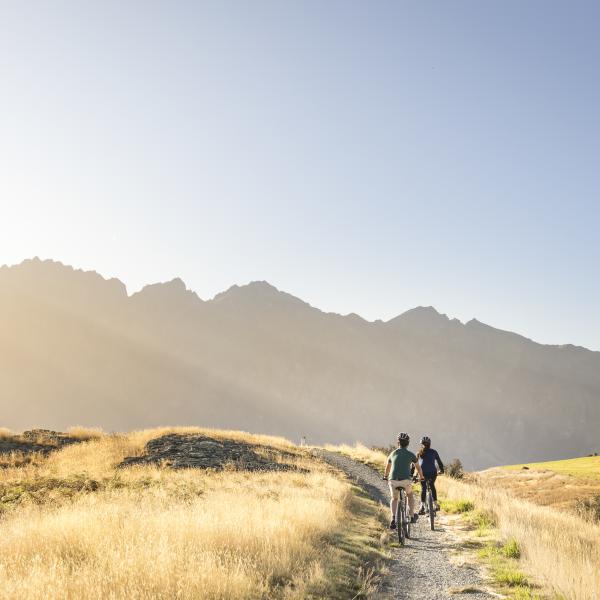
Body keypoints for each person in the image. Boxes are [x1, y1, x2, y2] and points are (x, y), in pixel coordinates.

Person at [383, 432, 424, 530]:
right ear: (408, 443)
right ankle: (412, 516)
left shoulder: (393, 453)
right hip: (406, 480)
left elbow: (387, 468)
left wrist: (385, 476)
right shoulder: (411, 454)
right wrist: (421, 477)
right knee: (409, 495)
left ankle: (393, 519)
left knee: (394, 498)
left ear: (398, 443)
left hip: (393, 480)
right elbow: (418, 468)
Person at [417, 435, 444, 514]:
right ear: (430, 444)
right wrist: (442, 470)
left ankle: (422, 506)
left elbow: (413, 464)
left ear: (421, 444)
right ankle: (435, 504)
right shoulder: (434, 452)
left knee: (423, 488)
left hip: (422, 473)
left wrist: (413, 474)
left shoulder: (419, 452)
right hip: (433, 473)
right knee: (432, 485)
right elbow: (439, 462)